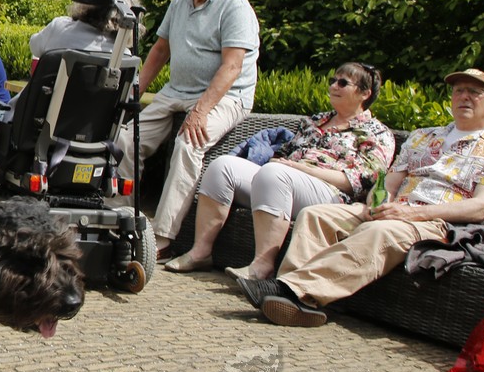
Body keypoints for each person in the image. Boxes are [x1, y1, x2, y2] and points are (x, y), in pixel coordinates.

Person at [238, 68, 484, 328]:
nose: (464, 96)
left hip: (446, 225)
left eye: (474, 92)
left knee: (382, 231)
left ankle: (292, 291)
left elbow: (483, 207)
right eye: (458, 90)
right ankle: (295, 300)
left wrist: (411, 214)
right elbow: (389, 182)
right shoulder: (424, 136)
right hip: (397, 211)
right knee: (318, 215)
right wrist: (376, 204)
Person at [165, 61, 394, 277]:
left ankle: (262, 265)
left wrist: (299, 169)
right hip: (282, 181)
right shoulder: (316, 121)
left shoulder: (377, 133)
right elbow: (284, 154)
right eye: (333, 80)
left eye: (343, 83)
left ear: (365, 94)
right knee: (223, 166)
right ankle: (200, 252)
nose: (334, 86)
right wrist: (283, 164)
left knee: (274, 174)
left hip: (332, 195)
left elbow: (360, 182)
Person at [117, 0, 259, 257]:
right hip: (176, 91)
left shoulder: (235, 7)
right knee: (125, 138)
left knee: (188, 144)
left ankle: (162, 237)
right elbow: (160, 50)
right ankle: (122, 219)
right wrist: (133, 92)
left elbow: (232, 66)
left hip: (226, 96)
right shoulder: (180, 0)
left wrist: (201, 111)